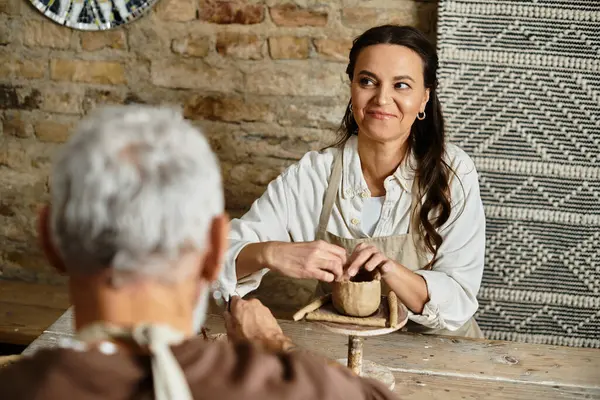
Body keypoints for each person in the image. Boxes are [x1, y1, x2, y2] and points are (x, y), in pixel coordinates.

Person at [0, 106, 396, 399]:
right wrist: (274, 345)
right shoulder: (300, 389)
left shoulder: (16, 387)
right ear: (213, 252)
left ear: (51, 241)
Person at [220, 25, 486, 338]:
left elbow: (460, 298)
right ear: (352, 87)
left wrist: (391, 270)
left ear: (424, 98)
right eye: (368, 81)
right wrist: (269, 253)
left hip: (444, 355)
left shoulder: (453, 172)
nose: (382, 98)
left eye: (401, 85)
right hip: (343, 350)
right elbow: (214, 260)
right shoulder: (313, 175)